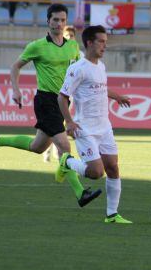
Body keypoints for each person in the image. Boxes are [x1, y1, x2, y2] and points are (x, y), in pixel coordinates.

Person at [0, 4, 102, 208]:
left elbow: (77, 73)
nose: (59, 23)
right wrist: (16, 90)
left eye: (63, 20)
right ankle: (80, 192)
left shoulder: (72, 47)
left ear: (66, 23)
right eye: (55, 19)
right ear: (48, 21)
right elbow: (15, 67)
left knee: (38, 147)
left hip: (63, 101)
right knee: (64, 145)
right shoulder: (37, 46)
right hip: (45, 101)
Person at [56, 25, 133, 224]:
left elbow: (100, 89)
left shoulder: (101, 66)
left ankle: (112, 215)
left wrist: (117, 97)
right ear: (89, 42)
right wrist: (70, 122)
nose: (104, 46)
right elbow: (62, 97)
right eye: (101, 41)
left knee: (113, 168)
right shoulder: (78, 69)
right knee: (96, 172)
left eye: (106, 42)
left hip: (104, 126)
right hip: (85, 128)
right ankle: (67, 162)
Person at [43, 25, 83, 163]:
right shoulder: (55, 51)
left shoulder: (78, 53)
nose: (69, 37)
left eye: (72, 35)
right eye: (67, 35)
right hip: (55, 93)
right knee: (57, 123)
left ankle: (53, 149)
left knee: (61, 123)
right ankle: (53, 150)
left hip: (68, 94)